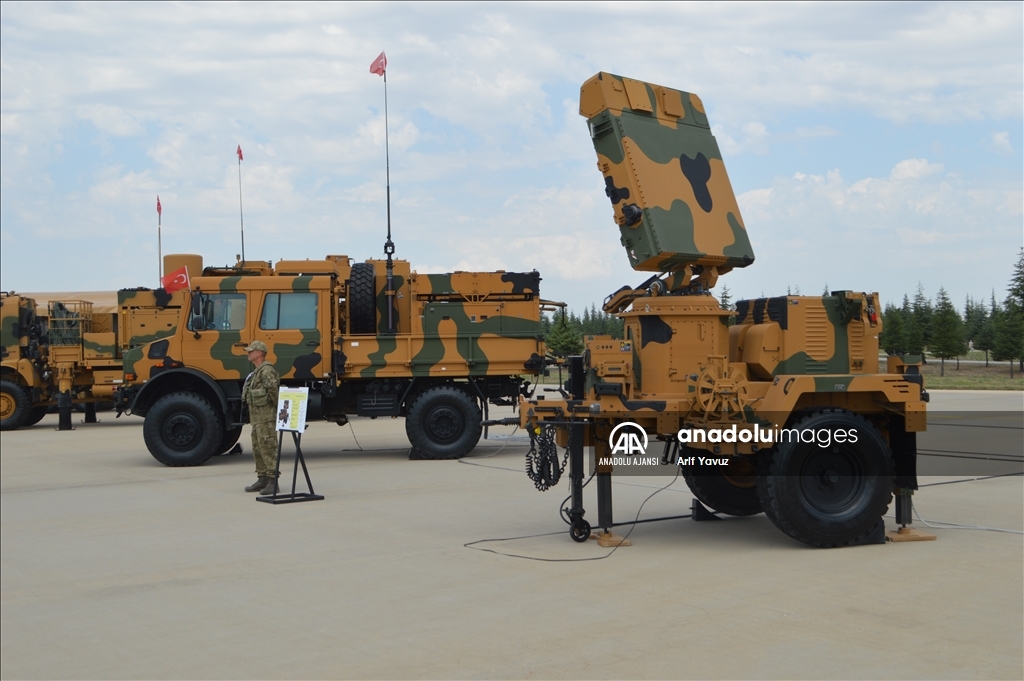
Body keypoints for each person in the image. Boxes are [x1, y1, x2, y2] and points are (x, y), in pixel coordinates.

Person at [241, 340, 281, 494]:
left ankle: (273, 481)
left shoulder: (266, 371)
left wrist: (279, 412)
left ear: (259, 353)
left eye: (251, 351)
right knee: (258, 449)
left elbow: (273, 392)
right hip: (257, 418)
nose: (248, 353)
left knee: (268, 448)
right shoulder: (258, 372)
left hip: (266, 418)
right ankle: (263, 478)